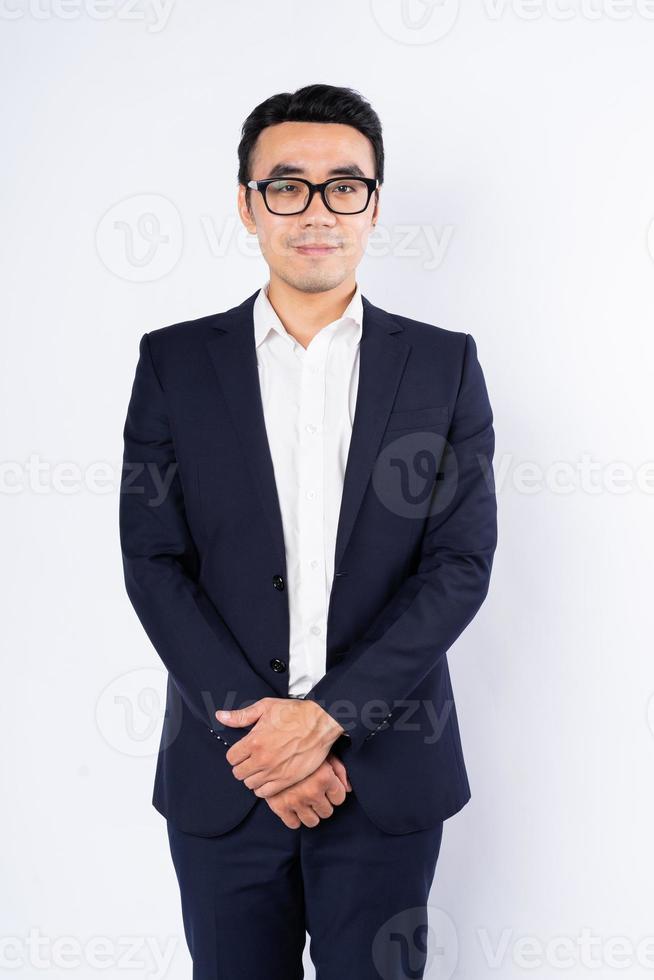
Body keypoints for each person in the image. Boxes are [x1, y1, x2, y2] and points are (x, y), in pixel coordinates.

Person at [119, 82, 497, 980]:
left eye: (344, 185)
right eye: (286, 186)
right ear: (248, 207)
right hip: (227, 776)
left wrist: (327, 720)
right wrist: (262, 744)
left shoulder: (444, 364)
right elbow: (154, 561)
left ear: (374, 204)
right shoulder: (174, 362)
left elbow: (459, 564)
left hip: (386, 774)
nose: (316, 209)